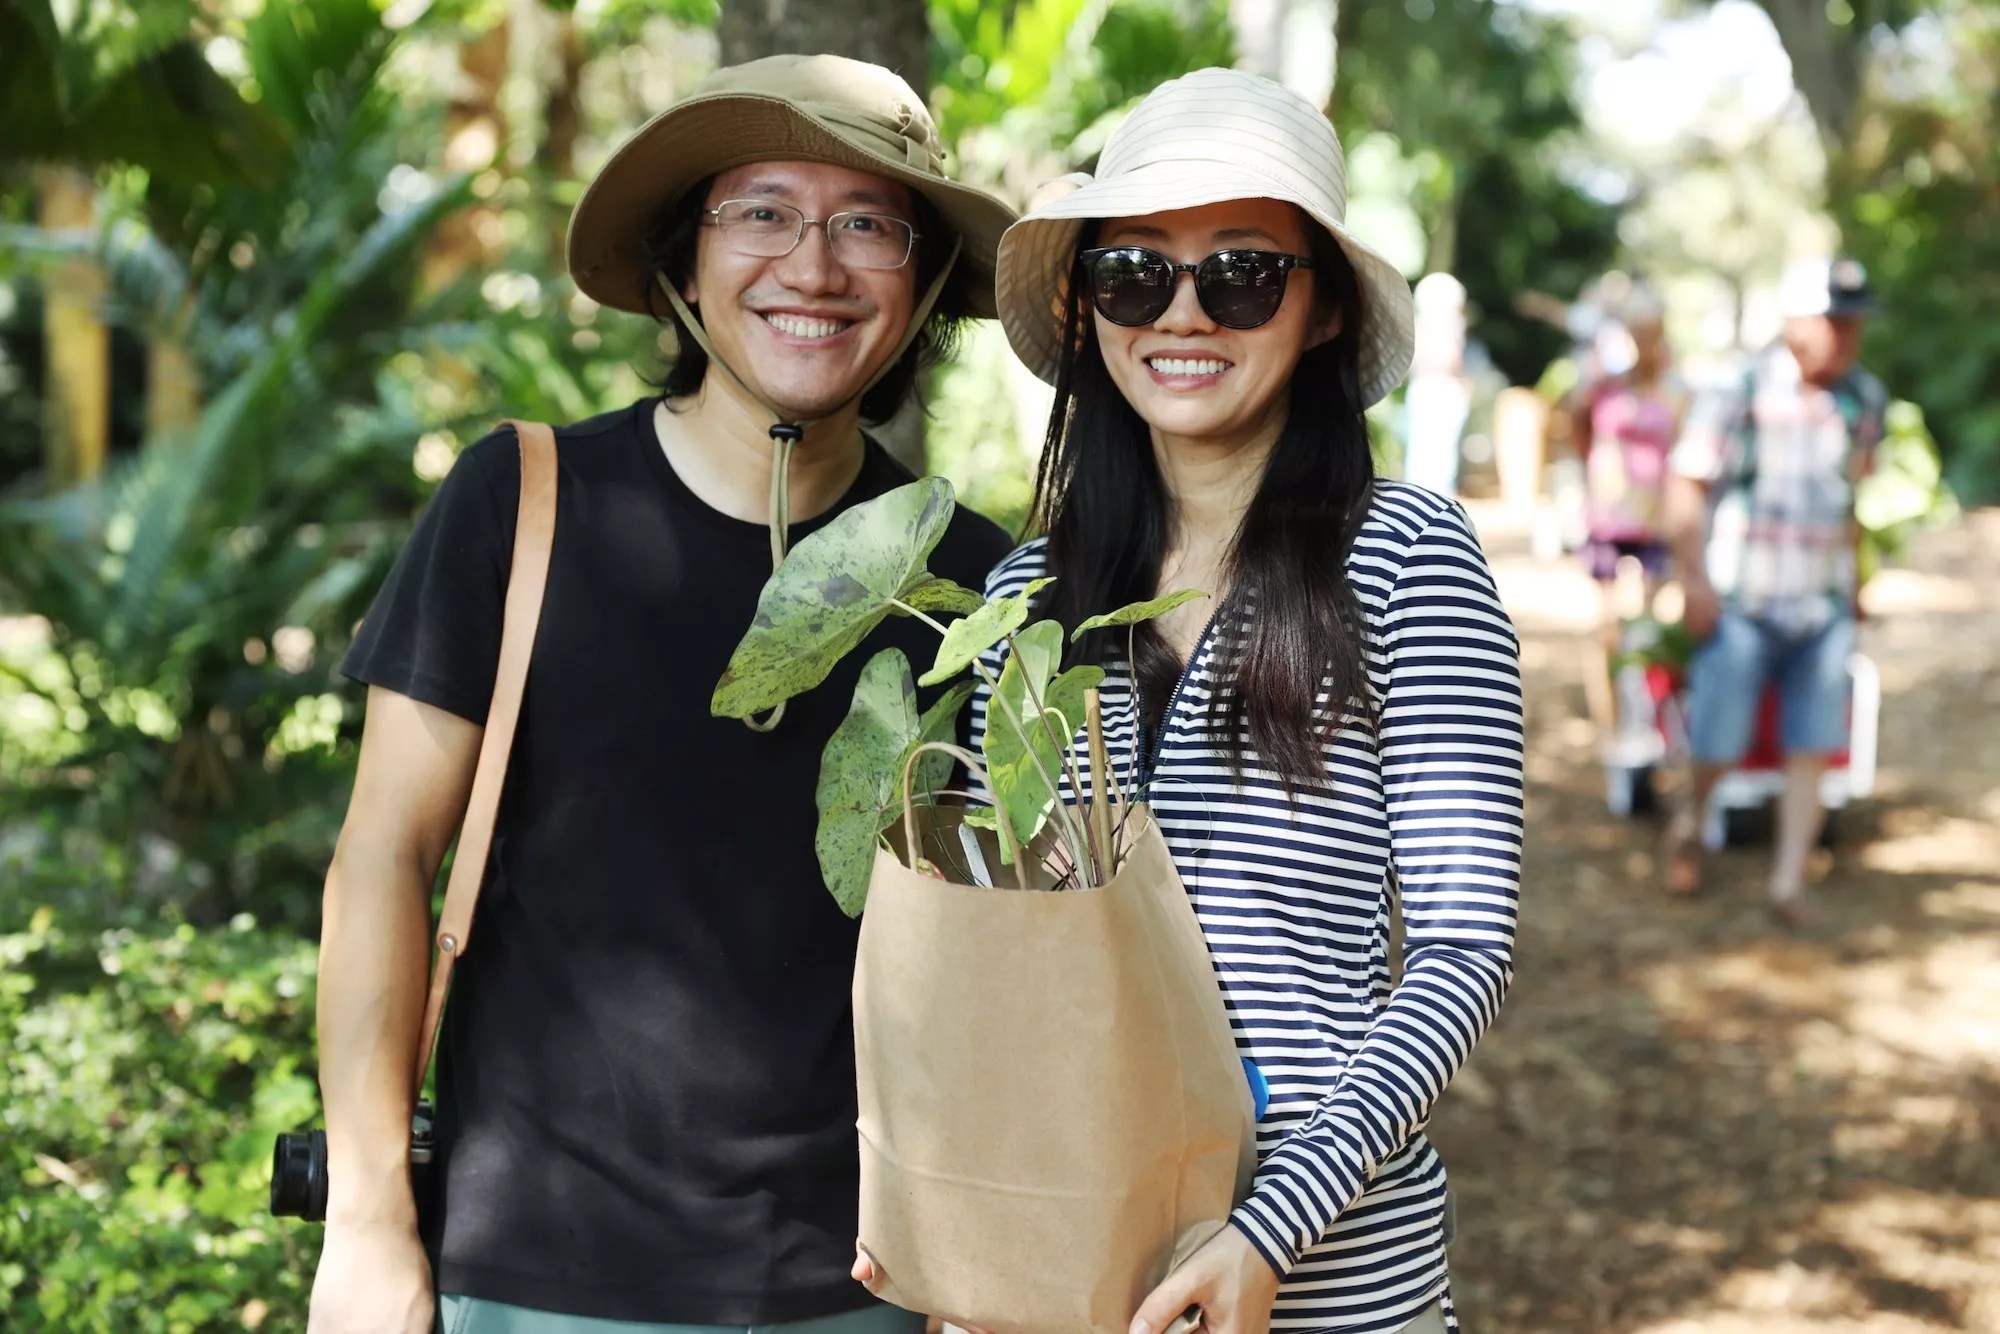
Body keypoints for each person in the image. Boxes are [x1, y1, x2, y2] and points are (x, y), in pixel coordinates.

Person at [308, 54, 1016, 1334]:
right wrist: (365, 1221)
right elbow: (381, 856)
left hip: (870, 1283)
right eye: (761, 211)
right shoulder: (520, 505)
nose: (812, 266)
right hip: (535, 1275)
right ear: (684, 263)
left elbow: (1008, 958)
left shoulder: (972, 582)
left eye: (867, 224)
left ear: (922, 288)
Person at [927, 67, 1523, 1334]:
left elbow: (1461, 951)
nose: (1182, 312)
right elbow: (1007, 949)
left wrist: (1268, 1230)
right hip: (1074, 1263)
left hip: (1329, 1283)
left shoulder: (1406, 557)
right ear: (1088, 305)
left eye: (1242, 272)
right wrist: (966, 1224)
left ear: (1322, 309)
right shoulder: (1025, 599)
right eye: (1134, 272)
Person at [1662, 256, 1887, 924]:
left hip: (1823, 605)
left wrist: (1859, 584)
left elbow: (1853, 500)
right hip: (1742, 604)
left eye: (1854, 324)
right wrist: (1693, 582)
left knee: (1813, 745)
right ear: (1795, 323)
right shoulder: (1740, 388)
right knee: (1719, 739)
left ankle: (1788, 882)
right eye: (1834, 321)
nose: (1847, 336)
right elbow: (1687, 483)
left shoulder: (1864, 399)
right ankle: (1691, 822)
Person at [1561, 282, 1689, 747]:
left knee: (1651, 626)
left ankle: (1648, 722)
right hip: (1608, 519)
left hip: (1657, 521)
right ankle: (1610, 726)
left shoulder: (1676, 389)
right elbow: (1575, 426)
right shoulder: (1603, 386)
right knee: (1608, 626)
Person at [1403, 270, 1473, 496]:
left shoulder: (1417, 325)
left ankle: (1416, 498)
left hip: (1420, 387)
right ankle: (1438, 499)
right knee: (1442, 451)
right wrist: (1463, 382)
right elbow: (1452, 358)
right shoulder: (1451, 324)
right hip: (1444, 389)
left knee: (1420, 449)